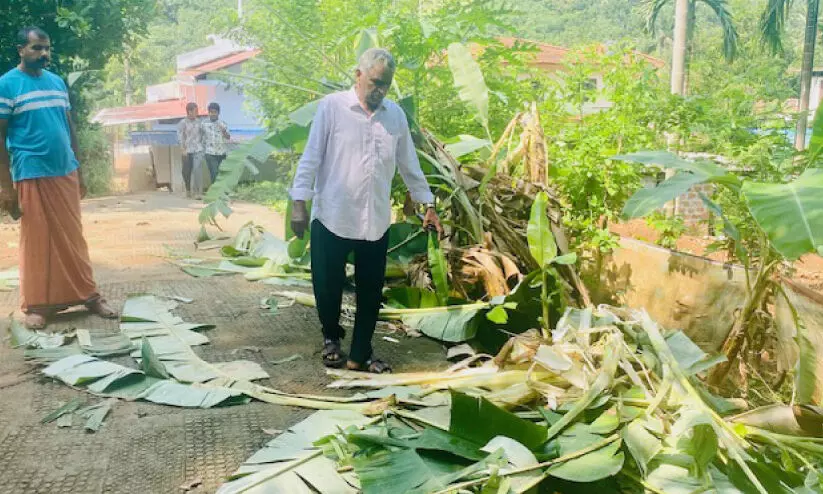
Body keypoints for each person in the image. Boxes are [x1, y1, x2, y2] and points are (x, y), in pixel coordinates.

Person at [290, 48, 442, 374]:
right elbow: (311, 157)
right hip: (332, 214)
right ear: (358, 75)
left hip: (374, 220)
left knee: (371, 291)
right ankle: (331, 337)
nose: (380, 90)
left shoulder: (395, 116)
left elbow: (409, 166)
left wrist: (428, 205)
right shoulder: (332, 108)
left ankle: (360, 353)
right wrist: (299, 202)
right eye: (375, 82)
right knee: (327, 285)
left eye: (386, 85)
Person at [0, 26, 118, 329]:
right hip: (30, 172)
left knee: (73, 238)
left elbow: (69, 128)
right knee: (37, 240)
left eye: (47, 48)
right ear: (21, 50)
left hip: (64, 170)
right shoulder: (7, 85)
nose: (44, 54)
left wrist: (79, 170)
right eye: (37, 48)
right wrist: (5, 187)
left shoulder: (56, 83)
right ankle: (38, 305)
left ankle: (90, 296)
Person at [176, 102, 205, 198]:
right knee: (186, 171)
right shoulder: (182, 123)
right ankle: (188, 189)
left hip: (198, 149)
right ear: (189, 111)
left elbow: (204, 134)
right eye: (195, 111)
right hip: (187, 149)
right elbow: (180, 137)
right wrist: (182, 149)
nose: (197, 113)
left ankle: (198, 192)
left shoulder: (200, 122)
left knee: (197, 169)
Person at [202, 102, 230, 185]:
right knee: (214, 173)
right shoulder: (203, 124)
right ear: (208, 112)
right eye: (211, 112)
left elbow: (228, 137)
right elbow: (200, 137)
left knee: (222, 174)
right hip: (210, 153)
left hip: (222, 153)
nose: (213, 114)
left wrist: (224, 131)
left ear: (218, 113)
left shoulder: (223, 123)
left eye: (215, 112)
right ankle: (215, 195)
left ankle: (220, 193)